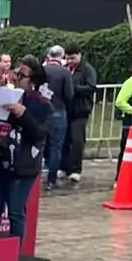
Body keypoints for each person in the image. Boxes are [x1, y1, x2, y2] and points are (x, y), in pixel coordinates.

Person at [0, 57, 51, 244]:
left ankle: (16, 259)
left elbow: (40, 133)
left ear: (33, 81)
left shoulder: (41, 104)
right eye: (16, 73)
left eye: (22, 75)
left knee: (15, 211)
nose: (15, 77)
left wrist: (23, 113)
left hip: (23, 165)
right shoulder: (5, 95)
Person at [61, 43, 98, 183]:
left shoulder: (87, 69)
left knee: (77, 140)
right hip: (66, 109)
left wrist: (73, 89)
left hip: (81, 110)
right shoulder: (65, 69)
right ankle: (63, 166)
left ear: (79, 56)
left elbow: (91, 87)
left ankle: (76, 169)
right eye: (68, 58)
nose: (70, 61)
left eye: (73, 58)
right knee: (64, 140)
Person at [41, 46, 74, 191]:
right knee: (56, 147)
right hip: (58, 111)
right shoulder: (64, 73)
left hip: (40, 111)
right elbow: (69, 94)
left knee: (39, 144)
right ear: (62, 56)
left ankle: (35, 177)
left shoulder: (42, 70)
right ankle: (51, 180)